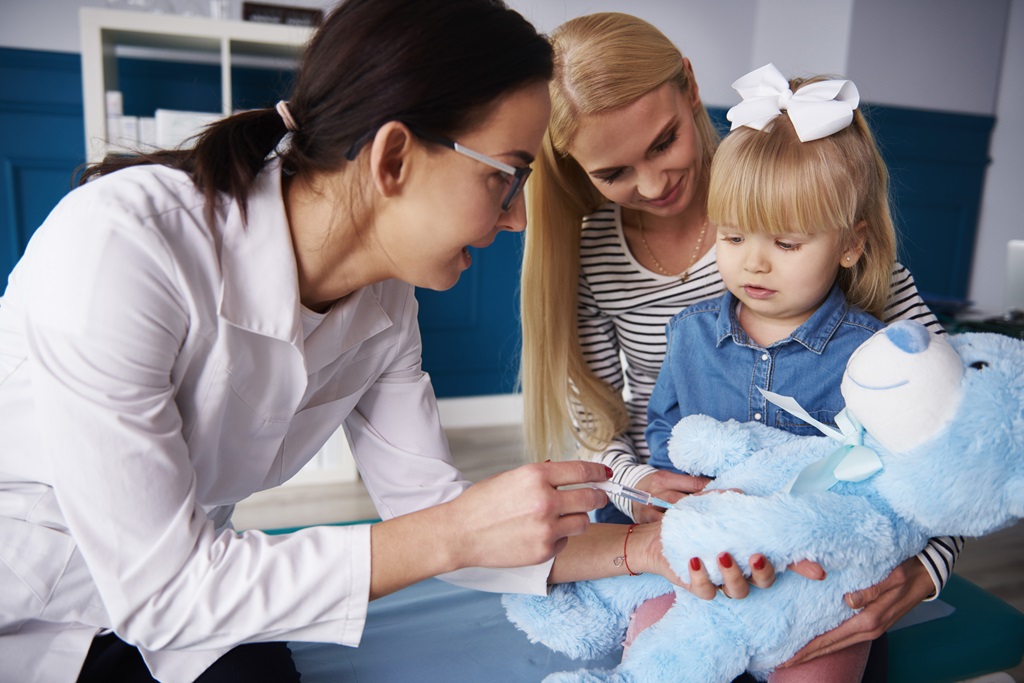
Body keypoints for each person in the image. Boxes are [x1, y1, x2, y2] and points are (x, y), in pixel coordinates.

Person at [0, 2, 687, 681]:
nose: (519, 219)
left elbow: (427, 506)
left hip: (180, 604)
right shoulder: (120, 246)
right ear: (393, 157)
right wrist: (453, 532)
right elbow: (167, 593)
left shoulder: (386, 302)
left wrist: (649, 546)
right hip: (31, 610)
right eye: (505, 175)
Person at [519, 11, 962, 674]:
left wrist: (927, 568)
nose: (651, 184)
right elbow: (594, 420)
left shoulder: (818, 209)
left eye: (663, 142)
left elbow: (951, 430)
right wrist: (646, 488)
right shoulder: (590, 257)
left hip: (815, 553)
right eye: (613, 172)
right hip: (680, 532)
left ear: (690, 87)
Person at [640, 65, 893, 682]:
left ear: (851, 245)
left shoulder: (874, 354)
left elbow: (893, 477)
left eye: (786, 243)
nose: (753, 262)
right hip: (712, 559)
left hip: (819, 576)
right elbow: (663, 433)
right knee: (648, 641)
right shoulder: (691, 334)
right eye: (731, 236)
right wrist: (678, 496)